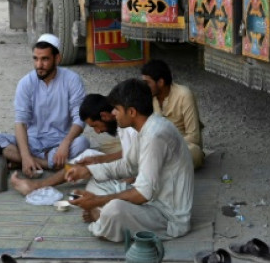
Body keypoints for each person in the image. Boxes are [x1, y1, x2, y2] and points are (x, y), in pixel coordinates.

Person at [66, 78, 194, 242]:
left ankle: (101, 217)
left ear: (132, 112)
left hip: (167, 216)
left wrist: (97, 201)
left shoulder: (156, 135)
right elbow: (128, 165)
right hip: (151, 202)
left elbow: (142, 194)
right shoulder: (146, 128)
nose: (113, 114)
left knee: (115, 209)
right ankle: (103, 215)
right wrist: (88, 170)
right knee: (96, 181)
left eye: (117, 109)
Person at [0, 34, 90, 176]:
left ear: (57, 58)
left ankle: (22, 160)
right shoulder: (26, 83)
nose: (39, 65)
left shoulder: (72, 80)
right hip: (31, 143)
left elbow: (80, 118)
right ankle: (46, 164)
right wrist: (26, 156)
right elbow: (20, 123)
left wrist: (65, 143)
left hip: (59, 144)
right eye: (35, 59)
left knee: (82, 143)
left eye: (45, 59)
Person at [9, 93, 139, 196]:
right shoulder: (121, 123)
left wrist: (129, 179)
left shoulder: (128, 125)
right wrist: (98, 159)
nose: (98, 132)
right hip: (128, 165)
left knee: (91, 180)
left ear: (104, 116)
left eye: (95, 126)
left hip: (136, 171)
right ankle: (38, 185)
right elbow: (128, 152)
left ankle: (37, 185)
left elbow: (136, 161)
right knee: (87, 157)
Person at [141, 59, 205, 168]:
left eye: (147, 83)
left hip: (182, 145)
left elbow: (194, 137)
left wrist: (166, 146)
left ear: (160, 82)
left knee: (195, 153)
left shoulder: (184, 95)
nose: (144, 86)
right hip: (157, 145)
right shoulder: (148, 96)